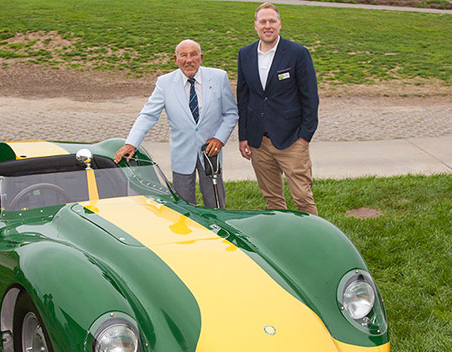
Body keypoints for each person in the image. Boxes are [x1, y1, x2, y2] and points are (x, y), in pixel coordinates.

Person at [114, 39, 238, 208]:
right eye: (183, 55)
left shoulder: (218, 77)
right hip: (181, 155)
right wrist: (131, 143)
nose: (189, 60)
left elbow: (231, 113)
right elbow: (148, 115)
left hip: (211, 154)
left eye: (193, 55)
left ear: (201, 58)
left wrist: (219, 139)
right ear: (176, 59)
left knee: (216, 204)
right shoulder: (164, 83)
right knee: (184, 209)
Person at [236, 2, 320, 215]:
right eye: (263, 21)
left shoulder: (297, 53)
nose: (267, 25)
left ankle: (313, 240)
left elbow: (310, 98)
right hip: (259, 142)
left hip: (291, 140)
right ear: (255, 26)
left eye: (272, 21)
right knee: (272, 199)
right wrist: (243, 136)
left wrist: (305, 137)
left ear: (279, 24)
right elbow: (243, 97)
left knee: (302, 197)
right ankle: (283, 240)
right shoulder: (245, 54)